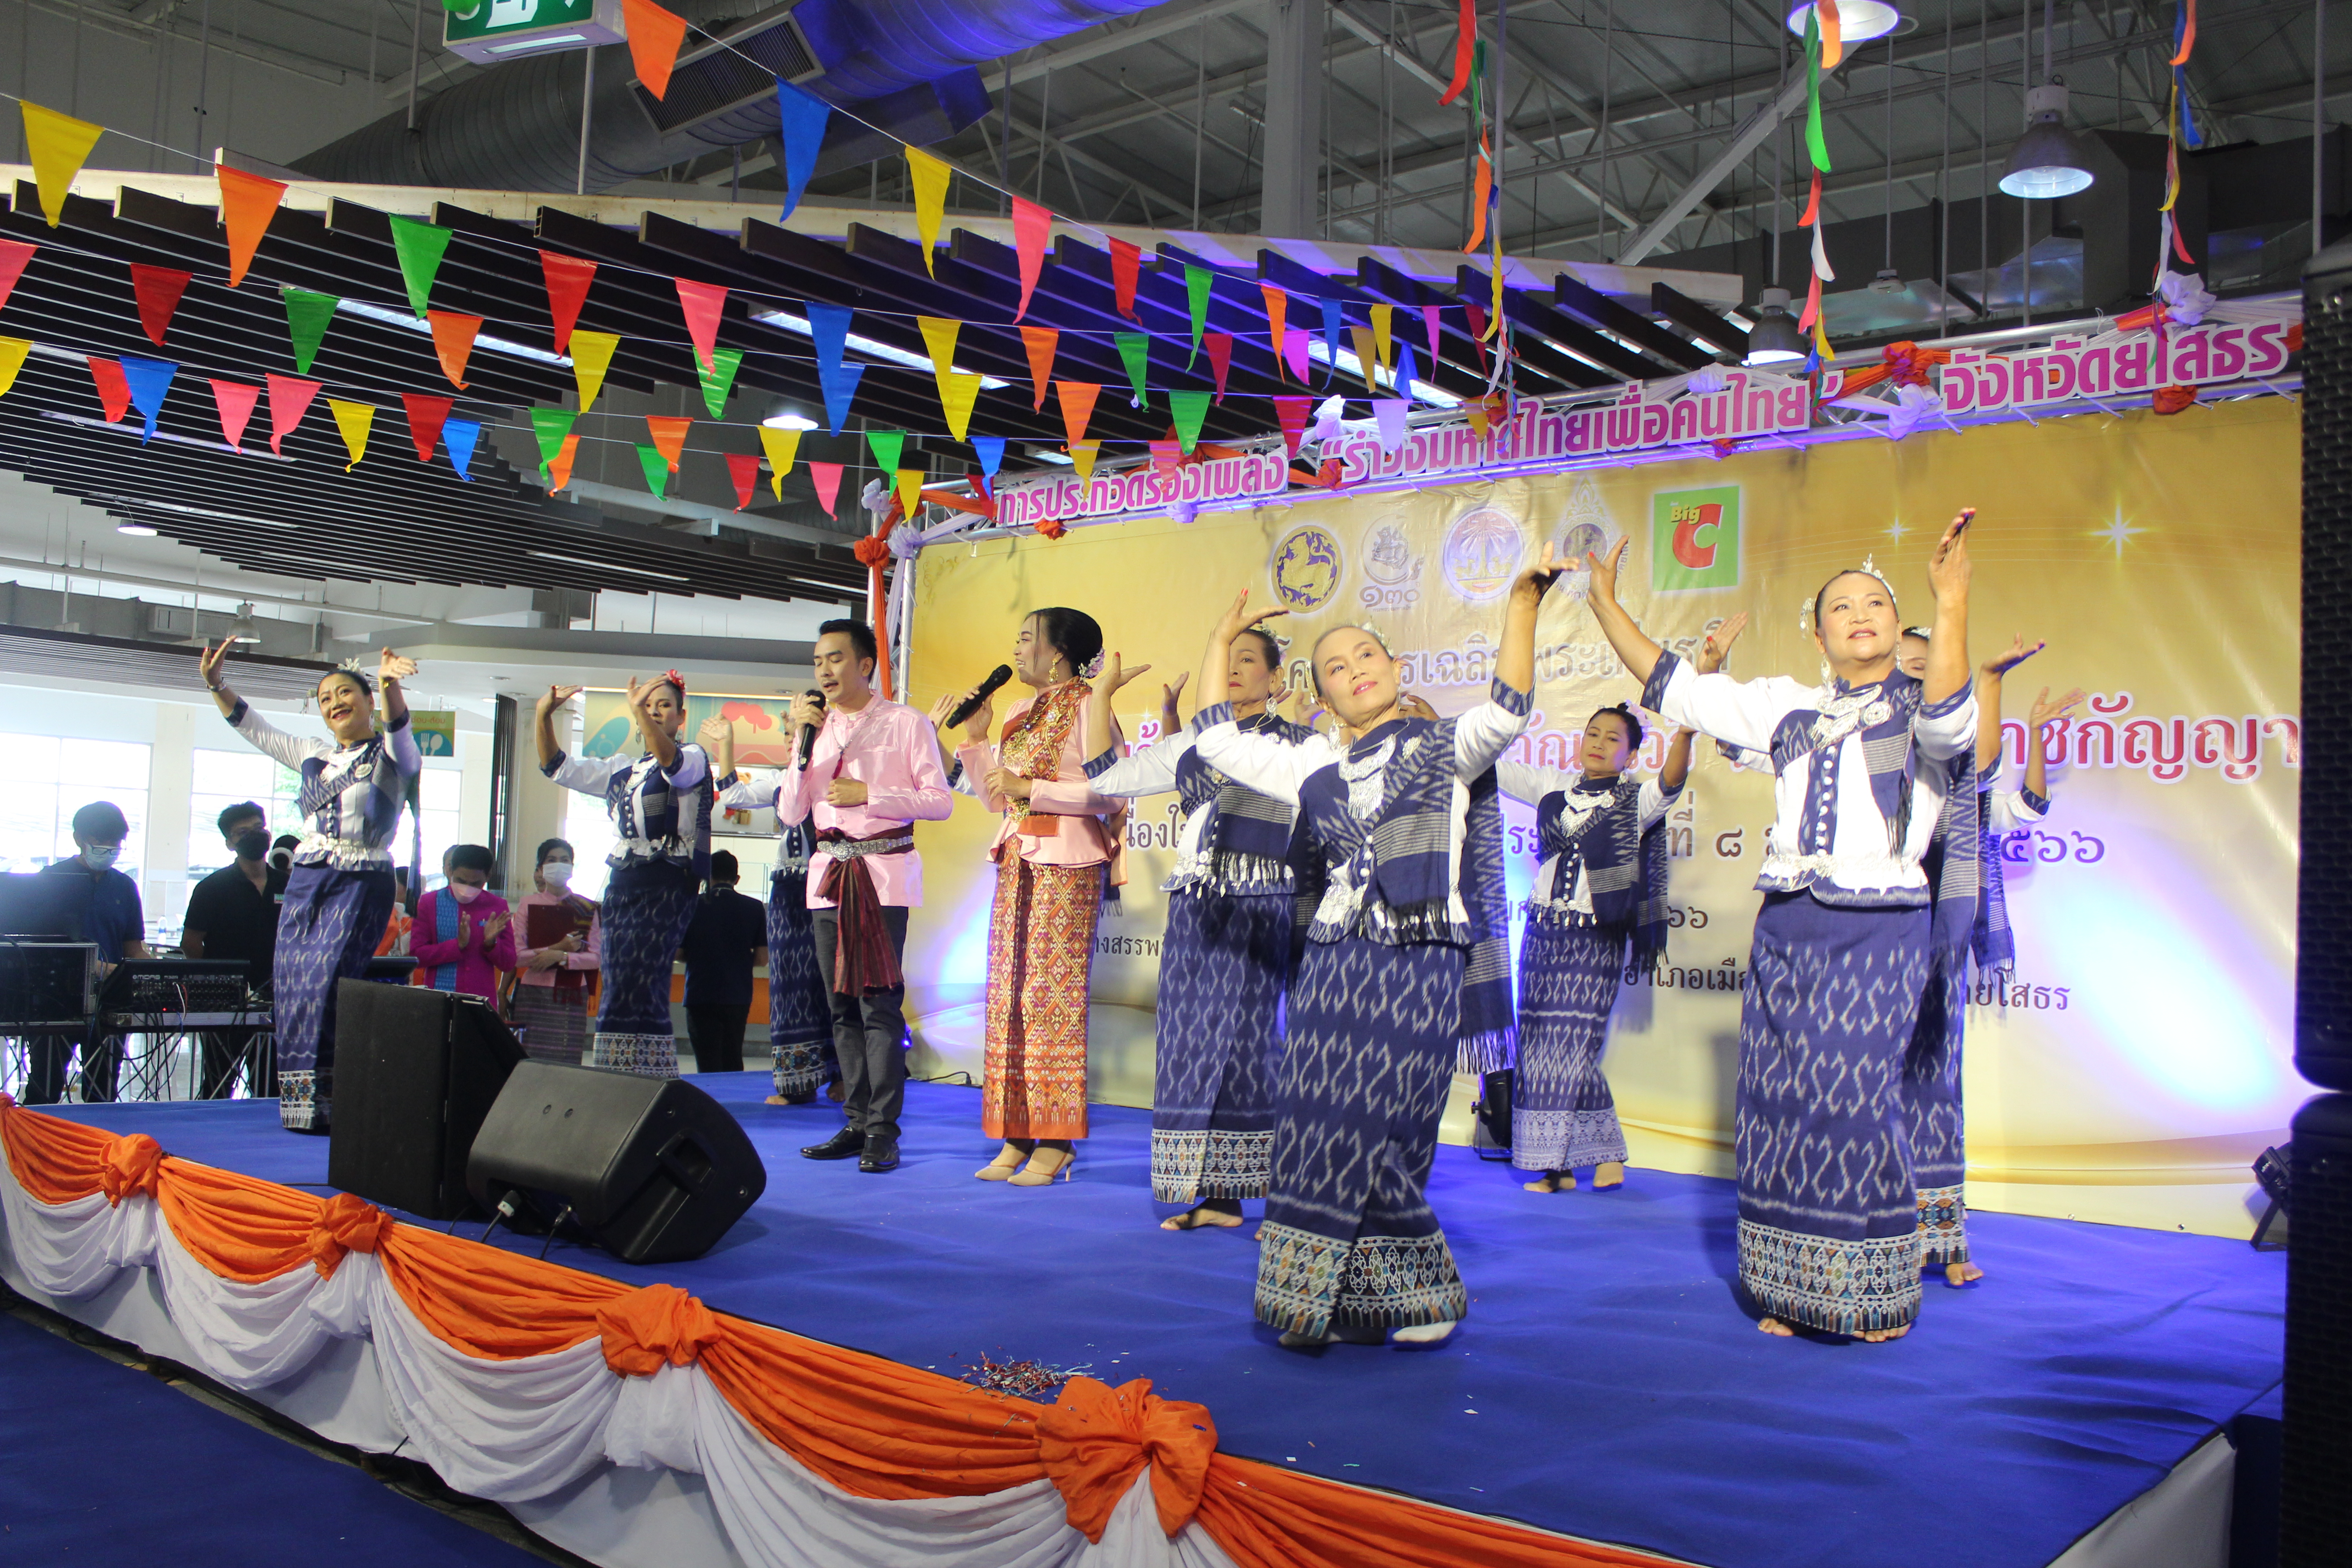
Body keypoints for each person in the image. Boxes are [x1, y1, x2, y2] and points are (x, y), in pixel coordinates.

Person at [1582, 519, 1976, 1343]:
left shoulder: (1920, 710)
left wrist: (1951, 604)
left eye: (1874, 602)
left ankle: (1869, 1289)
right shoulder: (1786, 707)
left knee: (1854, 1100)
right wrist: (1602, 601)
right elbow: (1672, 685)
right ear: (1816, 630)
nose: (1858, 614)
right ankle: (1792, 1288)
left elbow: (1947, 724)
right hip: (1788, 921)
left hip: (1880, 925)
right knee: (1779, 1099)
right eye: (1839, 606)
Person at [1191, 550, 1563, 1348]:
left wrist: (1521, 606)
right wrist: (1221, 640)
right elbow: (1215, 741)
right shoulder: (1312, 762)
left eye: (1365, 654)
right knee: (1315, 1118)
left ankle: (1413, 1293)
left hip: (1416, 954)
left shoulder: (1446, 746)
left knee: (1388, 1117)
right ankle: (1326, 1295)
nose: (1353, 669)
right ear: (1319, 696)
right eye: (1334, 666)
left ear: (1395, 668)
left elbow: (1507, 707)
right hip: (1332, 957)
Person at [1078, 628, 1317, 1231]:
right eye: (1226, 658)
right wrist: (1100, 697)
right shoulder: (1191, 746)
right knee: (1185, 1042)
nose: (1234, 670)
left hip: (1261, 898)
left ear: (1275, 679)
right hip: (1194, 902)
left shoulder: (1301, 745)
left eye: (1247, 661)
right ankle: (1211, 1195)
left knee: (1245, 1045)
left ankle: (1252, 1192)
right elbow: (1106, 778)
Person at [720, 620, 951, 1172]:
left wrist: (872, 793)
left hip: (883, 876)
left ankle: (883, 1131)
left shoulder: (906, 723)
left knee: (878, 1005)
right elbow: (790, 813)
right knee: (840, 1005)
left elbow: (939, 801)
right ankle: (853, 1121)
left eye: (836, 659)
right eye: (818, 661)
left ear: (866, 665)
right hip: (826, 877)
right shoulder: (813, 730)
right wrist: (800, 750)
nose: (824, 670)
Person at [1893, 628, 2082, 1289]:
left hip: (1941, 939)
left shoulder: (1966, 764)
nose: (1919, 682)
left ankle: (1941, 1241)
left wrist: (2018, 718)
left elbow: (2023, 809)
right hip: (1873, 931)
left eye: (1930, 670)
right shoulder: (1873, 754)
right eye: (1908, 672)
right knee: (1870, 1087)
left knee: (1934, 1083)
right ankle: (1878, 1232)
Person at [936, 608, 1125, 1187]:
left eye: (1027, 639)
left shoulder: (1092, 706)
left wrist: (1032, 787)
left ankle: (1058, 1139)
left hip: (1068, 863)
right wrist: (975, 740)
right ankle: (1018, 1130)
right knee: (1012, 999)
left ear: (1060, 651)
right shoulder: (1020, 710)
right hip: (1018, 859)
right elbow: (999, 799)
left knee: (1051, 999)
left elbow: (1110, 792)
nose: (1017, 649)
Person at [199, 643, 421, 1132]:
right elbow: (253, 726)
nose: (335, 702)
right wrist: (216, 685)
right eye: (325, 699)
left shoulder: (394, 753)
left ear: (367, 702)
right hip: (308, 876)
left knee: (327, 981)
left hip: (361, 875)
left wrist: (389, 684)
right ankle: (301, 1105)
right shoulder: (312, 756)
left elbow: (401, 728)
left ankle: (336, 1097)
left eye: (346, 693)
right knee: (295, 986)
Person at [1494, 686, 1702, 1195]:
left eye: (1612, 738)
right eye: (1592, 733)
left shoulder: (1635, 802)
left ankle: (1602, 1156)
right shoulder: (1553, 785)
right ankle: (1558, 1169)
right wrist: (1441, 726)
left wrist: (1688, 730)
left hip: (1594, 936)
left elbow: (1672, 782)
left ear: (1630, 756)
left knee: (1575, 1045)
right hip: (1543, 932)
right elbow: (1492, 768)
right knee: (1541, 1046)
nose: (1598, 743)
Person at [535, 674, 712, 1078]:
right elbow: (557, 768)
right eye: (647, 705)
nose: (653, 710)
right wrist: (543, 716)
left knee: (642, 975)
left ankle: (647, 1077)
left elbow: (673, 765)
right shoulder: (623, 769)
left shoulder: (694, 756)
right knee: (617, 976)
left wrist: (637, 711)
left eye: (664, 705)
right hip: (623, 880)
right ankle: (622, 1074)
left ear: (681, 716)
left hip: (667, 878)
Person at [27, 800, 151, 1103]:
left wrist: (154, 974)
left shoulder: (124, 887)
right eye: (100, 841)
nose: (108, 848)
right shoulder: (49, 881)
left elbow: (133, 947)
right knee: (45, 1086)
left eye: (115, 842)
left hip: (110, 1001)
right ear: (79, 839)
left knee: (103, 1090)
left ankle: (98, 1148)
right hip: (55, 1002)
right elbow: (35, 946)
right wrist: (90, 966)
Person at [181, 799, 286, 1098]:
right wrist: (216, 978)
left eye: (258, 828)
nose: (254, 835)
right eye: (243, 832)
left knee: (270, 1084)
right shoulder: (212, 887)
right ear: (230, 843)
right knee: (218, 1081)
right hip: (225, 1000)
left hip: (276, 997)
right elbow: (190, 942)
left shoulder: (289, 884)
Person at [511, 837, 601, 1064]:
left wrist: (562, 958)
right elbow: (518, 956)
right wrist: (554, 949)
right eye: (551, 860)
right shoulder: (527, 905)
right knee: (530, 1061)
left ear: (572, 867)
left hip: (570, 996)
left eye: (565, 860)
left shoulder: (587, 908)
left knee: (566, 1062)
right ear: (541, 869)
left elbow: (597, 958)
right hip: (533, 994)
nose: (558, 865)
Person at [678, 849, 769, 1074]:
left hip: (700, 993)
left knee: (706, 1062)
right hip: (737, 995)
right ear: (737, 879)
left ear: (708, 877)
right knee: (732, 1059)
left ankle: (708, 1105)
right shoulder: (755, 908)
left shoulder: (690, 905)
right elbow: (761, 959)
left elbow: (676, 954)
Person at [410, 843, 514, 1003]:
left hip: (481, 1002)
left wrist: (491, 944)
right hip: (439, 1000)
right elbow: (416, 956)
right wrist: (457, 945)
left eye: (475, 884)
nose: (467, 888)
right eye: (460, 881)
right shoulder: (430, 903)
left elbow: (508, 964)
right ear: (450, 871)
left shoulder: (497, 906)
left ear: (488, 876)